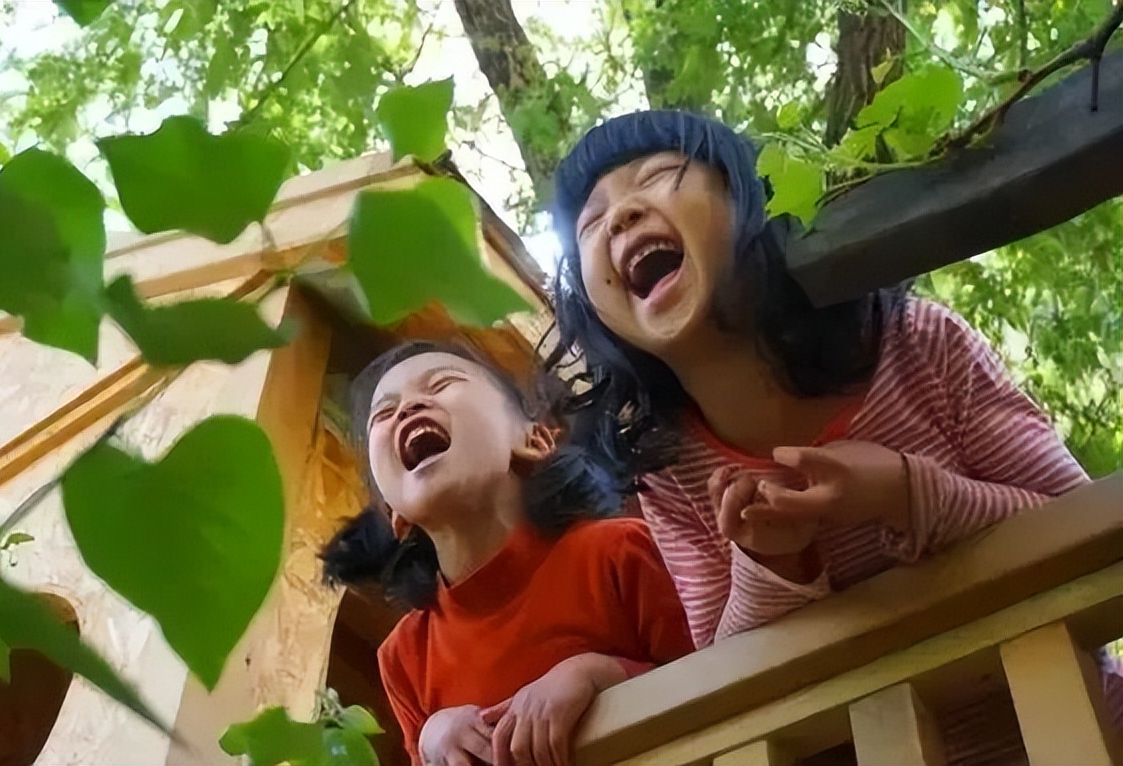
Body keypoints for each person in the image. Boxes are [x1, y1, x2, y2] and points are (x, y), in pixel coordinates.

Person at [546, 109, 1119, 764]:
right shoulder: (669, 472)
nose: (620, 217)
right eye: (591, 222)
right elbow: (732, 680)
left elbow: (1090, 538)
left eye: (656, 175)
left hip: (1088, 729)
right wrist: (772, 566)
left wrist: (903, 492)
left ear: (750, 199)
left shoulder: (919, 345)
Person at [321, 340, 694, 766]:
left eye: (441, 384)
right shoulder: (404, 657)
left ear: (534, 439)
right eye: (384, 414)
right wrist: (431, 743)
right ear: (394, 514)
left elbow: (720, 685)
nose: (408, 408)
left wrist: (600, 676)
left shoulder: (617, 552)